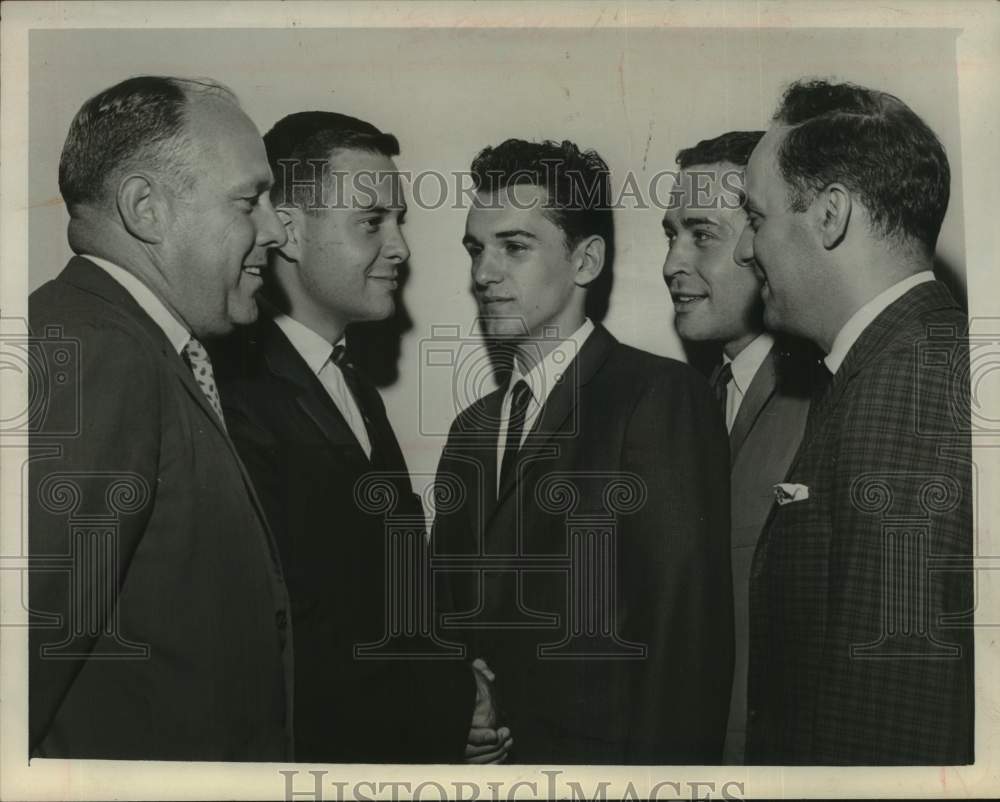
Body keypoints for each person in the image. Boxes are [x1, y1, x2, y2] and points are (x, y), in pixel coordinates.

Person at [212, 111, 509, 763]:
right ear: (287, 231)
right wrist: (448, 701)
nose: (400, 247)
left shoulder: (354, 388)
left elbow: (388, 594)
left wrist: (454, 678)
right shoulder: (233, 397)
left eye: (398, 220)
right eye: (372, 222)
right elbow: (292, 642)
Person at [432, 138, 733, 763]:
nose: (484, 274)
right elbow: (447, 616)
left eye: (514, 247)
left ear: (586, 261)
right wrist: (454, 711)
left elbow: (683, 638)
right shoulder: (470, 430)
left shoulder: (657, 397)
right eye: (476, 249)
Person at [28, 76, 293, 760]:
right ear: (148, 208)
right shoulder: (97, 352)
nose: (276, 229)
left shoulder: (129, 345)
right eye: (250, 201)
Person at [735, 79, 974, 764]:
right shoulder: (904, 364)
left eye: (756, 218)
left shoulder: (907, 387)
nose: (747, 251)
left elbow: (893, 711)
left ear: (830, 215)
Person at [662, 129, 815, 763]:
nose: (672, 263)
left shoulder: (829, 401)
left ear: (763, 240)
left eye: (701, 234)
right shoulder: (676, 403)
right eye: (669, 235)